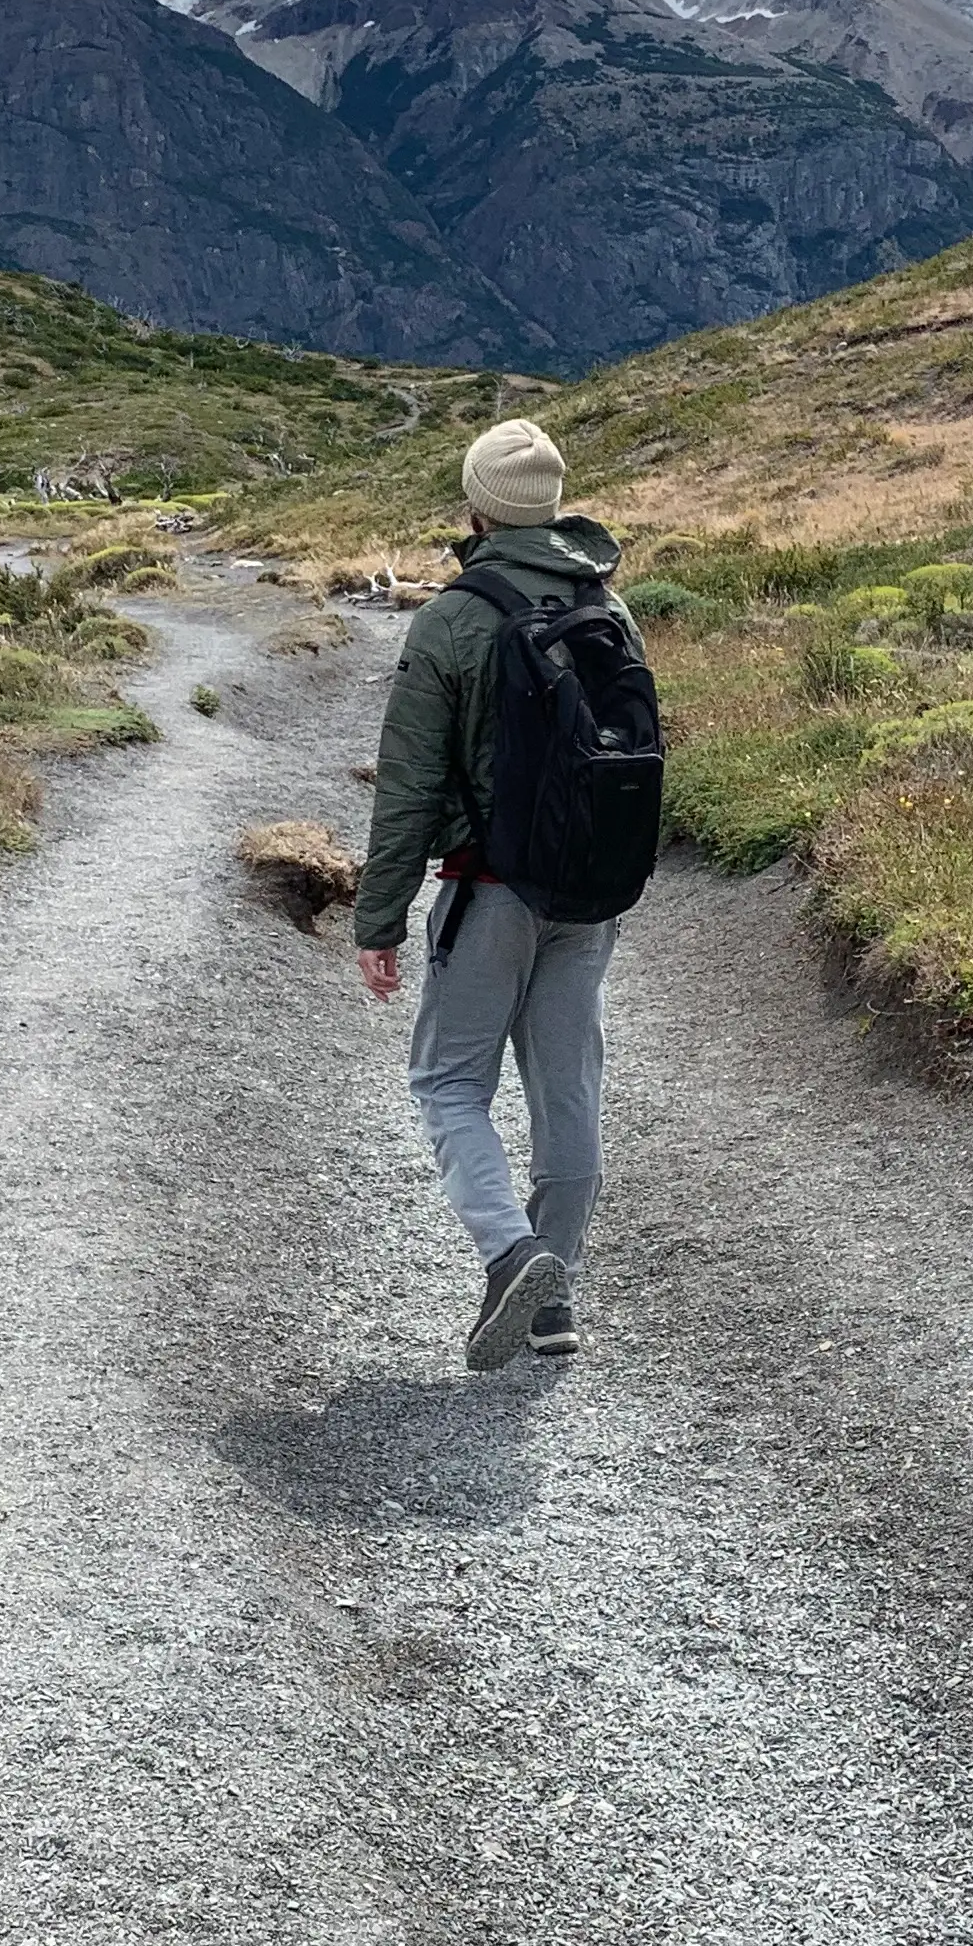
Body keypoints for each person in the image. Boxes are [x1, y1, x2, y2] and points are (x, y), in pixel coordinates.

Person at [354, 416, 646, 1371]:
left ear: (478, 505)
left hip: (489, 893)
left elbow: (409, 787)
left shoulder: (452, 618)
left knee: (446, 1082)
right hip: (589, 895)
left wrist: (379, 917)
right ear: (553, 504)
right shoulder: (610, 606)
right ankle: (555, 1302)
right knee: (568, 1090)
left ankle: (516, 1256)